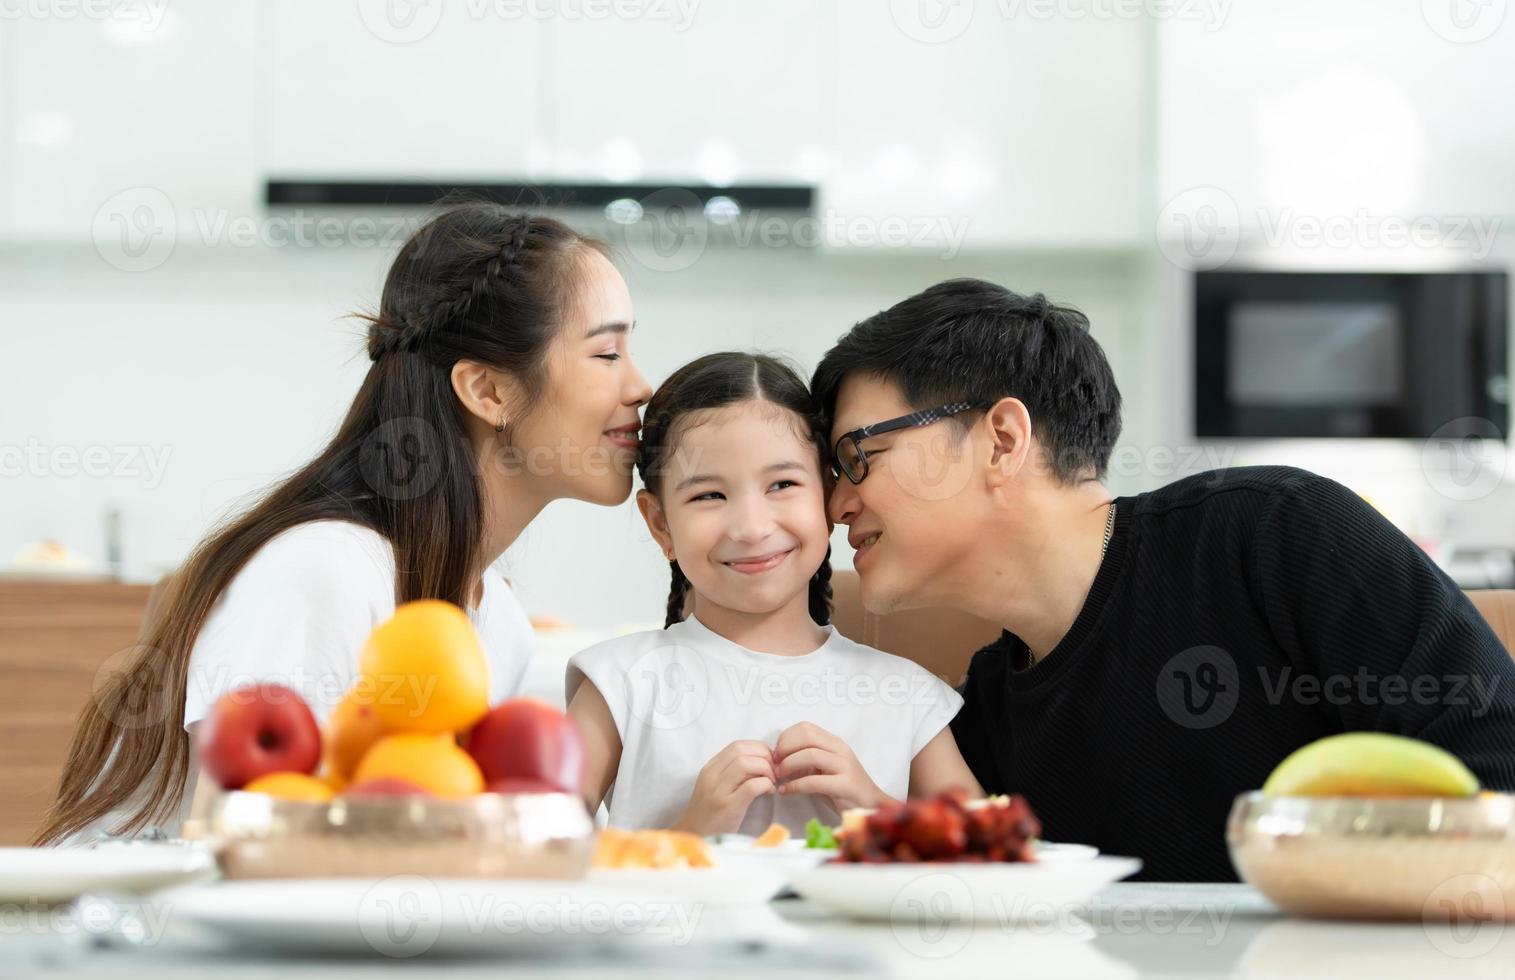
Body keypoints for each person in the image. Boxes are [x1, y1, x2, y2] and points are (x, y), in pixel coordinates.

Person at [811, 277, 1515, 881]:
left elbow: (1498, 772)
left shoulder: (1275, 533)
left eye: (856, 455)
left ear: (1000, 440)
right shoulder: (987, 715)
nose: (837, 503)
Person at [36, 203, 653, 844]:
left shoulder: (497, 621)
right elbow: (246, 848)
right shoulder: (327, 571)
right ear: (488, 392)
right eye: (607, 352)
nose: (641, 385)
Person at [566, 352, 979, 836]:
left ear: (828, 495)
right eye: (708, 496)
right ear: (661, 524)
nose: (751, 527)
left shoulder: (905, 693)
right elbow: (537, 857)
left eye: (782, 484)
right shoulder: (620, 683)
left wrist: (874, 806)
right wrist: (690, 831)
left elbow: (986, 851)